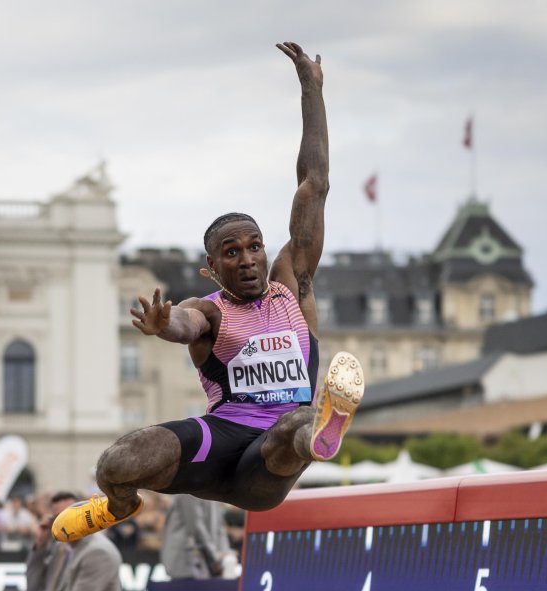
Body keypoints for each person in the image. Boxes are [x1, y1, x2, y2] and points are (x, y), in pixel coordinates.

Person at [53, 41, 364, 543]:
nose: (247, 259)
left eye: (254, 246)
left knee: (297, 423)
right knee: (115, 462)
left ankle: (323, 431)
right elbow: (185, 323)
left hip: (268, 460)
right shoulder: (210, 310)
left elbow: (314, 182)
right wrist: (164, 325)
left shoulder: (293, 284)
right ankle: (118, 506)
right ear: (212, 267)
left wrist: (312, 90)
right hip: (217, 443)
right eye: (232, 252)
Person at [160, 495, 235, 579]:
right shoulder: (187, 492)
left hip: (205, 560)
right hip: (185, 561)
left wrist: (224, 552)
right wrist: (215, 555)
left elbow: (219, 525)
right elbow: (196, 527)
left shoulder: (214, 492)